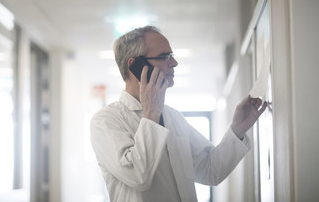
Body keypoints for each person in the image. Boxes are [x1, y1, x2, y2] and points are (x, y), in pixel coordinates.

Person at [90, 26, 267, 202]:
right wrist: (151, 112)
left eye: (172, 56)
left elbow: (211, 170)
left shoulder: (174, 117)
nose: (174, 63)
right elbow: (138, 175)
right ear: (135, 66)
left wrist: (237, 129)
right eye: (164, 57)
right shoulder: (106, 121)